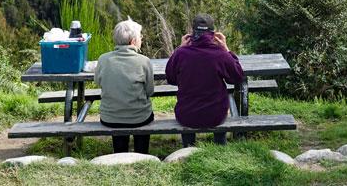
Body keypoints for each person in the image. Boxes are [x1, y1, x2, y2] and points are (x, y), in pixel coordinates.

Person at [165, 14, 244, 147]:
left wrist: (179, 48)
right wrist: (227, 49)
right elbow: (237, 77)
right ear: (213, 34)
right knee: (218, 107)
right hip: (215, 116)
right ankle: (220, 148)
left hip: (187, 116)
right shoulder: (220, 54)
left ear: (192, 33)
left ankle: (188, 149)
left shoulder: (181, 54)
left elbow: (171, 78)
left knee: (189, 111)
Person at [94, 18, 155, 154]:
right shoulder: (144, 61)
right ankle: (142, 154)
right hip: (140, 117)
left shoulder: (103, 59)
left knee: (119, 119)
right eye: (140, 36)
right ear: (133, 41)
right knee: (142, 117)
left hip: (110, 117)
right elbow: (150, 91)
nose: (141, 39)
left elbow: (98, 82)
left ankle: (120, 154)